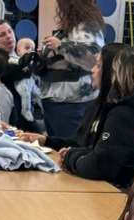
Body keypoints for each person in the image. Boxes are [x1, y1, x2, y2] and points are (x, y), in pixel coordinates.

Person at [57, 46, 134, 189]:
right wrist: (76, 153)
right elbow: (108, 151)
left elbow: (100, 165)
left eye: (99, 66)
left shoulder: (126, 114)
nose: (93, 70)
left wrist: (70, 158)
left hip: (126, 194)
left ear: (117, 73)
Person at [39, 0, 105, 139]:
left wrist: (61, 46)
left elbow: (93, 58)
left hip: (72, 102)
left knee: (66, 148)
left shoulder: (87, 26)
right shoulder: (71, 27)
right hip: (57, 100)